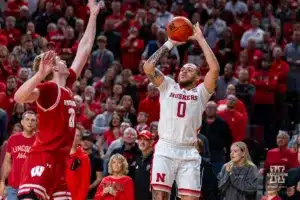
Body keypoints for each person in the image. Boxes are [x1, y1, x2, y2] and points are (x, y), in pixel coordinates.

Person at [13, 1, 104, 199]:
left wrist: (93, 16)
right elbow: (18, 97)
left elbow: (85, 47)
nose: (65, 61)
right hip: (42, 156)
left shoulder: (67, 85)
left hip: (60, 161)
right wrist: (38, 76)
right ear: (52, 69)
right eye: (60, 60)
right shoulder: (48, 89)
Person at [143, 22, 219, 199]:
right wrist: (170, 43)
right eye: (183, 68)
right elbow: (148, 67)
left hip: (189, 151)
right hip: (165, 148)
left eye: (190, 69)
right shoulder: (168, 85)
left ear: (198, 77)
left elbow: (214, 69)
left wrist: (200, 39)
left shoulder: (201, 92)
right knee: (160, 196)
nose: (184, 71)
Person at [0, 111, 37, 200]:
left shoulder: (39, 140)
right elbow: (7, 162)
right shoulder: (13, 139)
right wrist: (2, 182)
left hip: (31, 187)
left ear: (36, 123)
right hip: (13, 187)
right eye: (27, 119)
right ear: (22, 122)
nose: (30, 122)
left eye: (33, 120)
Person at [66, 126, 91, 200]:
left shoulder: (84, 158)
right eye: (72, 134)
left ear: (80, 139)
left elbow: (85, 183)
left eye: (77, 135)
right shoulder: (61, 154)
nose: (74, 137)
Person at [134, 130, 154, 200]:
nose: (142, 142)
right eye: (140, 139)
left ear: (151, 142)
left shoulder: (155, 158)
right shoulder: (137, 157)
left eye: (145, 140)